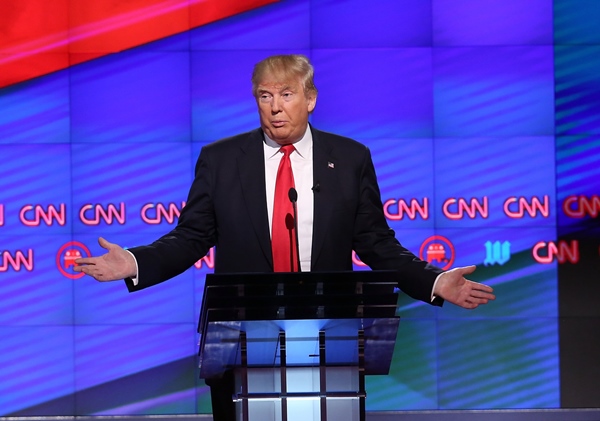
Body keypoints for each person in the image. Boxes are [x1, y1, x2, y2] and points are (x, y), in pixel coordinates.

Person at [75, 54, 495, 420]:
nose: (275, 108)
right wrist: (136, 262)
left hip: (329, 338)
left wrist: (435, 281)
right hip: (241, 338)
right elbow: (191, 237)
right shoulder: (222, 161)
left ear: (310, 99)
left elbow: (375, 243)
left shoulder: (349, 159)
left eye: (287, 95)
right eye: (265, 96)